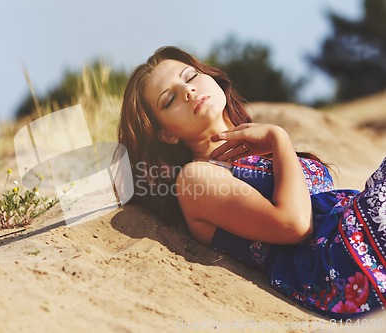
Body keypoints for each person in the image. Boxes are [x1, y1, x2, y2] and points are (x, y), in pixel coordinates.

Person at [117, 46, 386, 319]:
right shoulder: (195, 178)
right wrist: (279, 139)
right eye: (170, 99)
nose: (188, 91)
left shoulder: (260, 148)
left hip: (360, 225)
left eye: (190, 77)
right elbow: (293, 225)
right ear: (166, 135)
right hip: (343, 260)